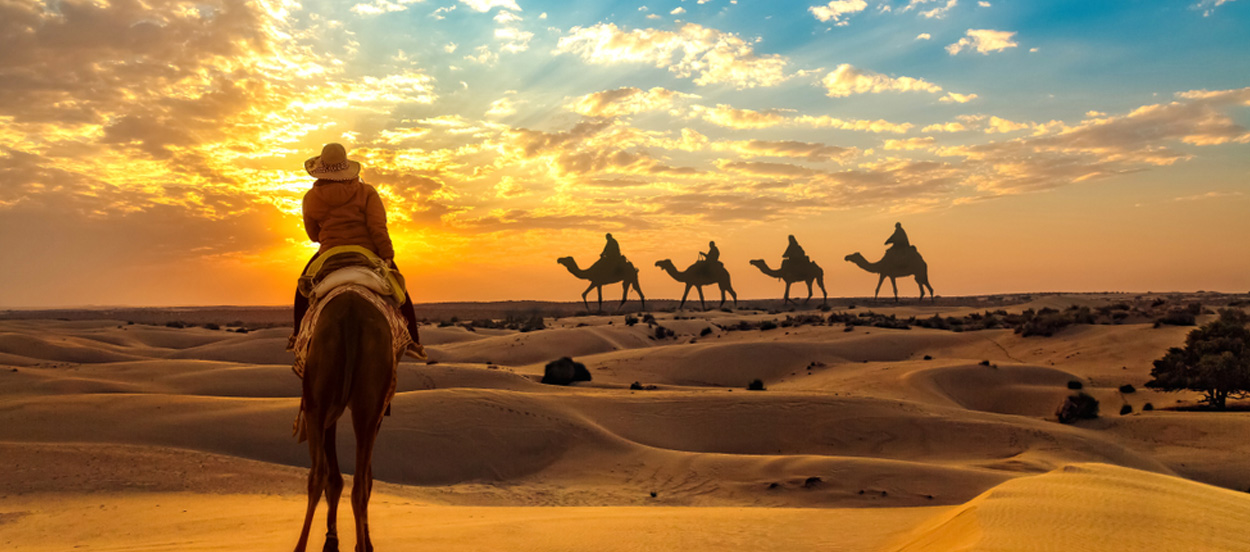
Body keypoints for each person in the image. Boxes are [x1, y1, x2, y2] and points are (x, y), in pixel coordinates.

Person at [291, 143, 420, 355]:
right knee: (400, 290)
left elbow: (313, 235)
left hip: (329, 252)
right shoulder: (366, 192)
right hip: (366, 250)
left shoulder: (310, 198)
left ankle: (297, 337)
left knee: (301, 291)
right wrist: (387, 254)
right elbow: (377, 227)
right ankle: (413, 341)